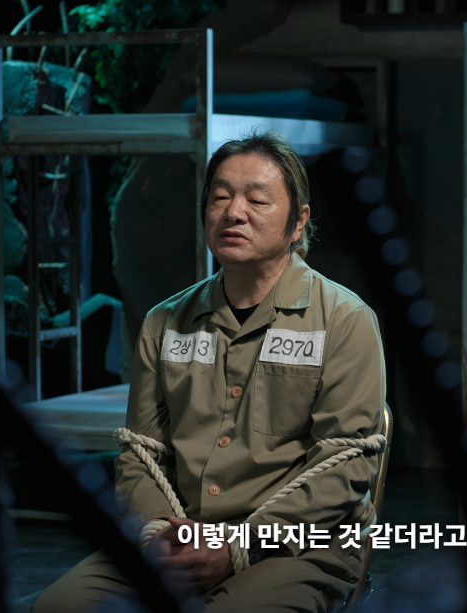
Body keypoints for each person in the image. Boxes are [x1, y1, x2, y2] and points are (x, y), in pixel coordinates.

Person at [34, 130, 387, 613]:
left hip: (296, 547)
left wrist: (237, 547)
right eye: (220, 197)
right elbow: (140, 455)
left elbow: (345, 467)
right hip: (179, 535)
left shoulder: (345, 321)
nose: (233, 212)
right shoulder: (164, 322)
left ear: (298, 222)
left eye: (257, 200)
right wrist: (160, 531)